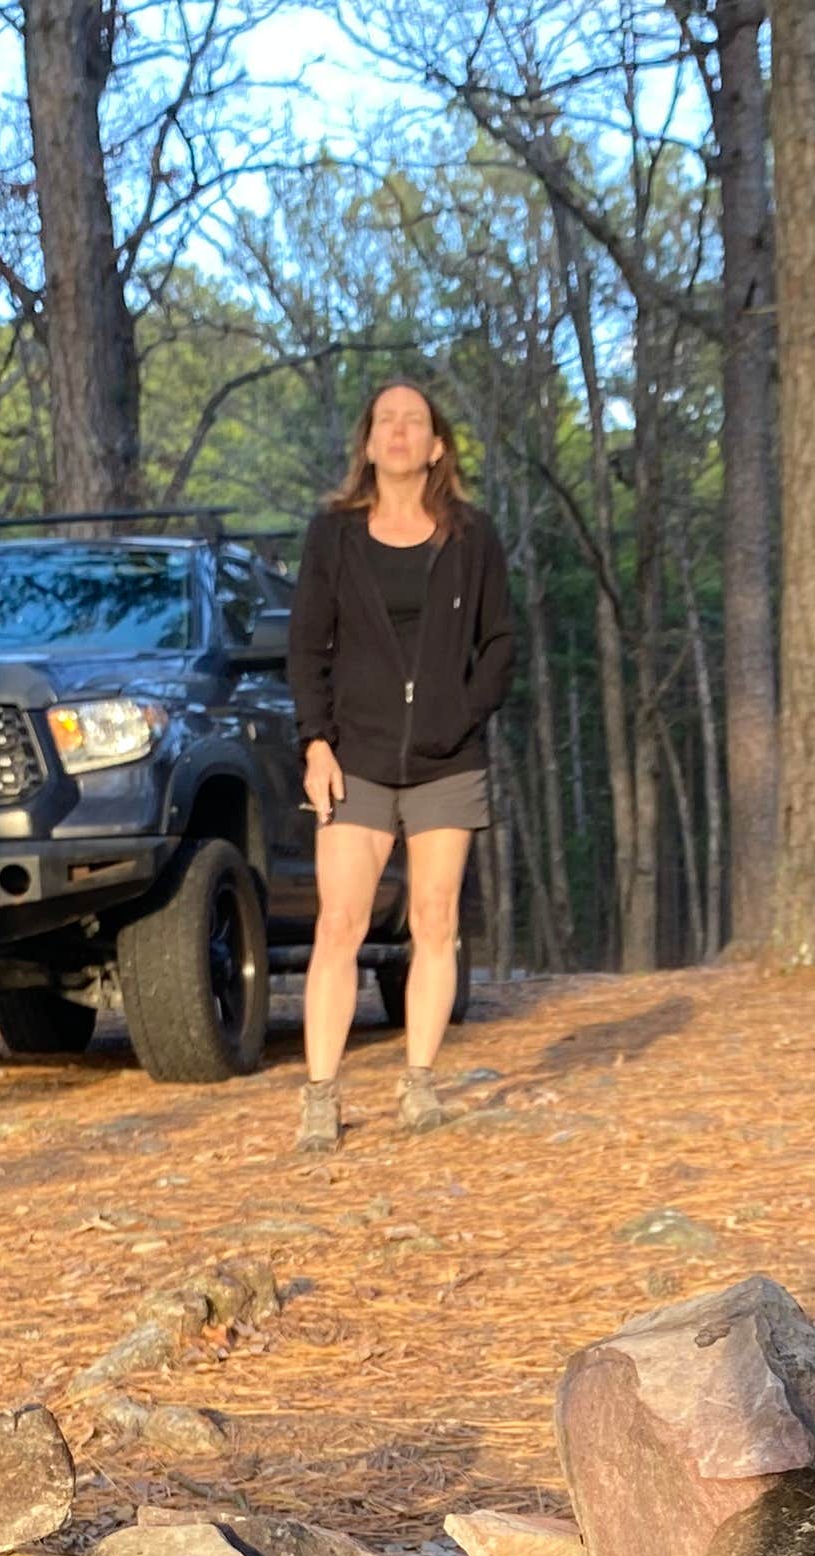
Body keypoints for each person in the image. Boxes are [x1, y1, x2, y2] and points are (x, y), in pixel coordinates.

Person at [284, 378, 513, 1151]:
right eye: (386, 419)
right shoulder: (333, 536)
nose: (399, 431)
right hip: (356, 757)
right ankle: (321, 1094)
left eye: (414, 421)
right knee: (340, 923)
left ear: (437, 445)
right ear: (369, 441)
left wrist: (463, 712)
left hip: (448, 759)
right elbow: (306, 646)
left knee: (435, 920)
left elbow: (501, 645)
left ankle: (419, 1083)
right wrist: (315, 740)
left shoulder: (471, 535)